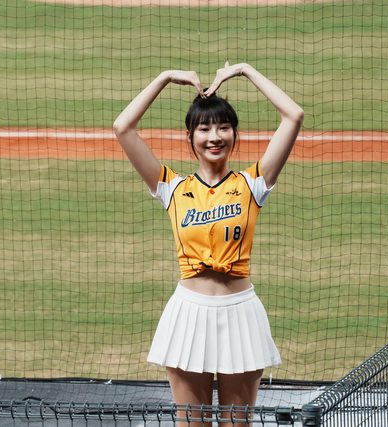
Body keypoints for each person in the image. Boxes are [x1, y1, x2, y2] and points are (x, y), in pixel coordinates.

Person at [113, 62, 303, 426]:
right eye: (204, 128)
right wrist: (165, 78)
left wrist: (245, 70)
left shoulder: (253, 183)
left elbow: (293, 115)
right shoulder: (171, 187)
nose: (215, 136)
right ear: (190, 137)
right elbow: (123, 127)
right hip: (189, 316)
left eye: (223, 127)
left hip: (241, 315)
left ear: (234, 134)